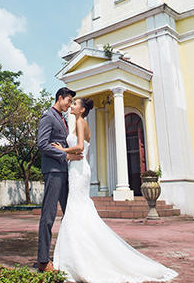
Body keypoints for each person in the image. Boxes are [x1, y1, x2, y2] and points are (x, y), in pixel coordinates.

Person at [52, 97, 178, 282]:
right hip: (77, 167)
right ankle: (78, 256)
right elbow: (80, 151)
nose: (71, 106)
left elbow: (79, 147)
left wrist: (61, 150)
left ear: (82, 110)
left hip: (78, 171)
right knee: (78, 208)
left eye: (75, 104)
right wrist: (70, 156)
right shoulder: (82, 122)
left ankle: (78, 259)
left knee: (75, 207)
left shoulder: (80, 122)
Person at [36, 87, 83, 273]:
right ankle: (43, 260)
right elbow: (42, 144)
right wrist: (65, 156)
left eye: (72, 102)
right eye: (69, 100)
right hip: (53, 170)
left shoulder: (62, 119)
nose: (70, 104)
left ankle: (68, 255)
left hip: (64, 172)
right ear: (60, 98)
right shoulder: (48, 116)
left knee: (69, 214)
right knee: (48, 216)